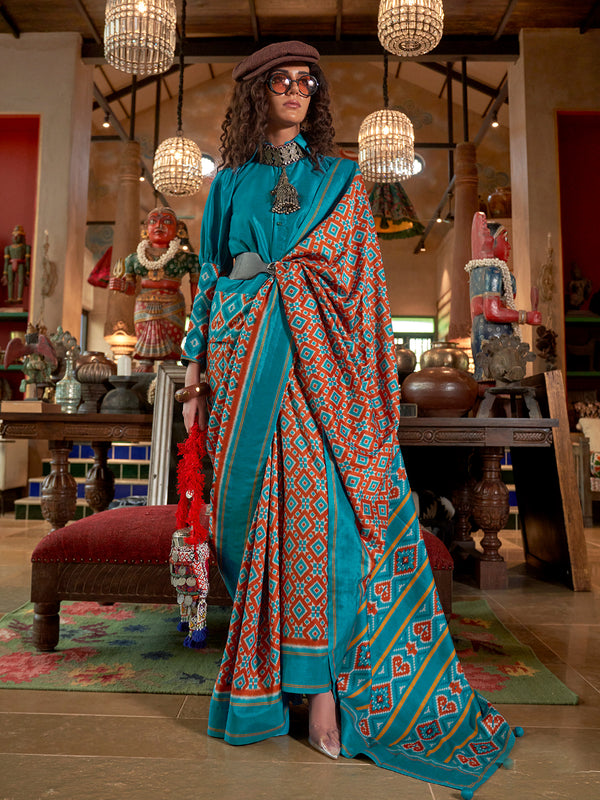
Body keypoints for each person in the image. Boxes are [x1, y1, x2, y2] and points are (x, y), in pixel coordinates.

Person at [181, 41, 518, 797]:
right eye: (282, 81)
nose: (296, 91)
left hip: (315, 367)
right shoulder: (229, 184)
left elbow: (360, 284)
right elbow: (207, 275)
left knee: (315, 517)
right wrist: (197, 372)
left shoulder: (339, 179)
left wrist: (296, 294)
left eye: (306, 82)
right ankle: (273, 683)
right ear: (257, 96)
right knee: (244, 521)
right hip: (239, 362)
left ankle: (323, 690)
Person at [111, 207, 200, 367]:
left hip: (172, 304)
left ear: (179, 229)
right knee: (145, 347)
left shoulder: (185, 258)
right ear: (146, 228)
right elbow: (131, 288)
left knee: (171, 350)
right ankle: (145, 364)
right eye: (153, 221)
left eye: (166, 221)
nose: (159, 225)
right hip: (143, 305)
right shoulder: (134, 258)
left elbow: (196, 284)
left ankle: (171, 367)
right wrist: (122, 286)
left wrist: (197, 308)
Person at [466, 211, 541, 379]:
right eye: (505, 240)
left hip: (484, 331)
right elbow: (492, 311)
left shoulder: (478, 271)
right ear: (491, 242)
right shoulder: (492, 271)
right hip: (492, 334)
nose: (509, 246)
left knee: (487, 378)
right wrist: (526, 316)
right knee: (500, 379)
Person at [3, 225, 30, 304]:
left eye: (18, 236)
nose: (16, 238)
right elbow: (6, 261)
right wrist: (5, 273)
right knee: (10, 281)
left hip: (21, 264)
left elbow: (27, 260)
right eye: (14, 236)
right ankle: (10, 297)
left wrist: (27, 273)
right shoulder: (8, 248)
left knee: (21, 281)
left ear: (21, 237)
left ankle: (19, 298)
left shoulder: (26, 247)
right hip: (10, 265)